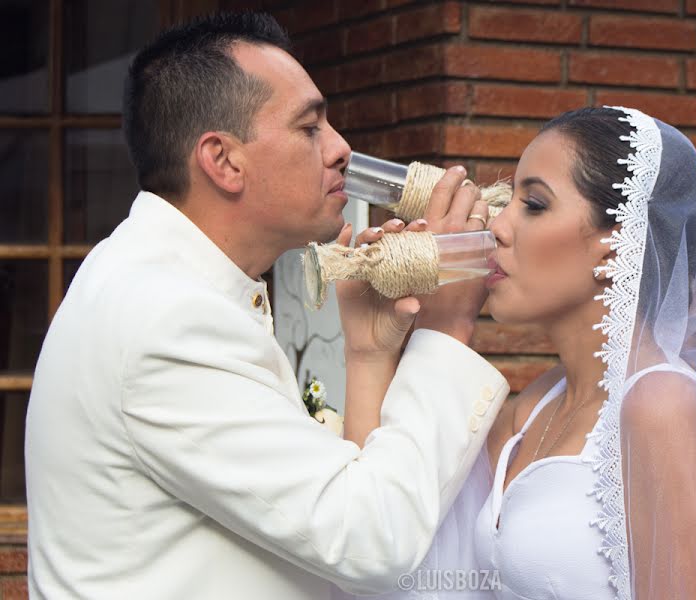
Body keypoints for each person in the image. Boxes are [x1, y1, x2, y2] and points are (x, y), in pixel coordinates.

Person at [24, 12, 508, 600]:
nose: (341, 150)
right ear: (223, 160)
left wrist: (368, 351)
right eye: (310, 128)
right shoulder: (169, 320)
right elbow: (370, 542)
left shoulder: (153, 277)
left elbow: (331, 513)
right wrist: (447, 324)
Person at [343, 106, 696, 599]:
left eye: (534, 204)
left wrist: (449, 326)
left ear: (612, 249)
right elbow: (392, 554)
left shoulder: (661, 406)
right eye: (509, 200)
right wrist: (369, 352)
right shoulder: (530, 411)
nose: (498, 226)